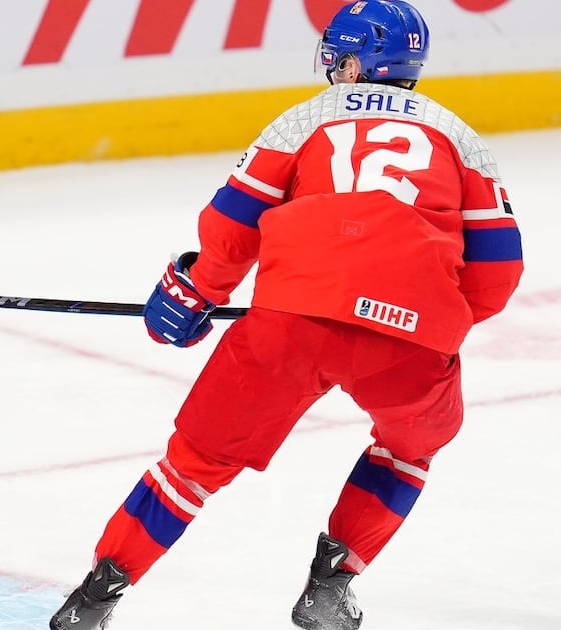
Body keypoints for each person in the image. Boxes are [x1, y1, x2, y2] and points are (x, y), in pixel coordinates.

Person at [50, 1, 523, 629]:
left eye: (339, 54)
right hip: (412, 339)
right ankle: (332, 583)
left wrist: (195, 292)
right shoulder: (460, 138)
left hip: (291, 323)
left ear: (355, 63)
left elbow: (232, 227)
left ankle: (96, 595)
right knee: (410, 447)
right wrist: (429, 313)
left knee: (194, 464)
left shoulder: (304, 120)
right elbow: (499, 271)